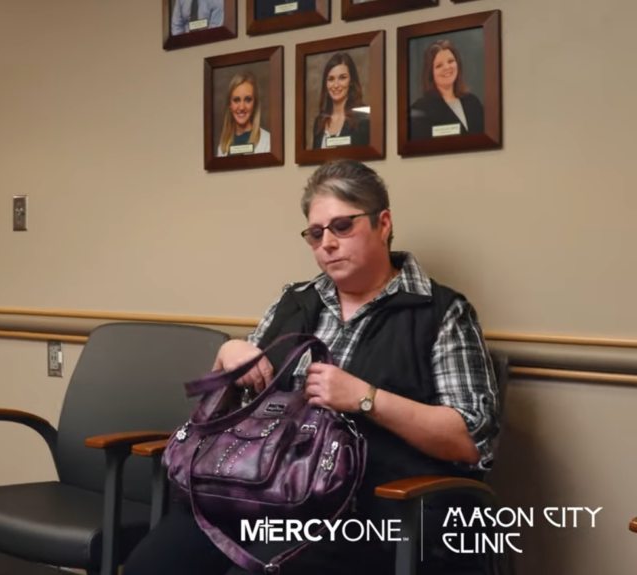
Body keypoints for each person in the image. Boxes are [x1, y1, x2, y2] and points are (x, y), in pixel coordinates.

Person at [122, 160, 501, 575]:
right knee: (150, 565)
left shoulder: (441, 312)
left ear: (384, 223)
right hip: (261, 491)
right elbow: (244, 407)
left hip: (362, 513)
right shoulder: (296, 301)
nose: (327, 244)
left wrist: (365, 399)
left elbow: (472, 440)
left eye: (342, 226)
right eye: (316, 233)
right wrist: (231, 354)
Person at [409, 39, 484, 140]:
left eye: (451, 61)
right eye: (439, 65)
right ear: (430, 73)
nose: (447, 67)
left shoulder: (473, 102)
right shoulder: (421, 109)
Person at [312, 52, 370, 150]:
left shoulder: (364, 118)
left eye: (342, 78)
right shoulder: (319, 122)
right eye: (331, 79)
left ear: (351, 81)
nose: (336, 85)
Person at [217, 71, 271, 157]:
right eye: (236, 100)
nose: (242, 107)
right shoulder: (222, 146)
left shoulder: (268, 141)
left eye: (248, 100)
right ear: (230, 105)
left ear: (255, 104)